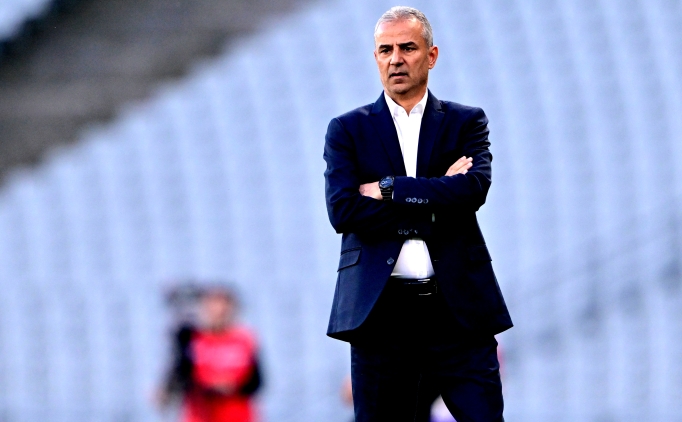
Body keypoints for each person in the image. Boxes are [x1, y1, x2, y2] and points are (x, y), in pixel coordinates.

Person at [323, 6, 513, 422]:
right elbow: (344, 210)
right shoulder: (347, 130)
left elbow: (472, 190)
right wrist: (436, 197)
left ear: (431, 55)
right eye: (385, 50)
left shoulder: (465, 122)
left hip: (457, 309)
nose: (396, 59)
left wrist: (390, 189)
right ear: (376, 57)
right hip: (381, 314)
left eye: (407, 48)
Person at [156, 285, 263, 422]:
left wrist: (232, 387)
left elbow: (256, 382)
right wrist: (168, 391)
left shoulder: (244, 340)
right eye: (212, 307)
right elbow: (180, 373)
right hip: (201, 415)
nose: (217, 313)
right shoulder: (191, 339)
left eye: (223, 308)